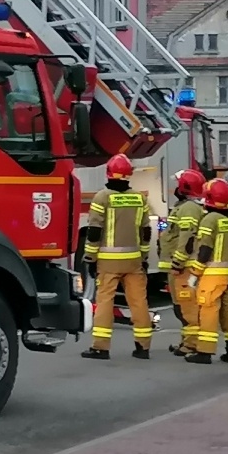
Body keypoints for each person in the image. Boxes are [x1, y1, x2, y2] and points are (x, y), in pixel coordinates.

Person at [81, 154, 154, 360]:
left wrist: (90, 258)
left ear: (108, 173)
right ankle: (143, 347)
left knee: (105, 302)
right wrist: (145, 256)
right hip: (134, 261)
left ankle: (101, 347)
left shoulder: (102, 197)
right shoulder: (140, 198)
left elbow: (94, 231)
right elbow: (145, 231)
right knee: (139, 303)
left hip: (108, 261)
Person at [186, 177, 228, 364]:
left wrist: (195, 274)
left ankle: (205, 352)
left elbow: (205, 250)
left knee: (208, 312)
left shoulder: (209, 219)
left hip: (211, 276)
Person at [159, 169, 206, 356]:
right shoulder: (185, 206)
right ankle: (186, 342)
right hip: (180, 266)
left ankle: (192, 344)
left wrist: (178, 261)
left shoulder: (188, 208)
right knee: (181, 308)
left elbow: (187, 237)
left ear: (184, 187)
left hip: (184, 267)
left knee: (188, 308)